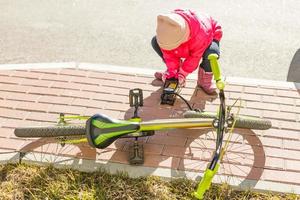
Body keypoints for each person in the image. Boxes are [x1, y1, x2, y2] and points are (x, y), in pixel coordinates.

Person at [151, 9, 222, 94]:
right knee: (155, 42)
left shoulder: (200, 36)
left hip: (208, 36)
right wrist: (173, 71)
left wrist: (183, 73)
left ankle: (204, 81)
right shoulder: (168, 27)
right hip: (186, 40)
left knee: (211, 53)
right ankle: (173, 72)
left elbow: (194, 58)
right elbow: (168, 54)